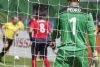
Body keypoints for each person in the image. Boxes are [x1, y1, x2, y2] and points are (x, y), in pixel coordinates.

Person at [52, 0, 98, 67]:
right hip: (81, 52)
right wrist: (94, 52)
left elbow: (55, 33)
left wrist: (53, 39)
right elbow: (91, 35)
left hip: (64, 52)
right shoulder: (87, 13)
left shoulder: (60, 12)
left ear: (68, 1)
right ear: (79, 1)